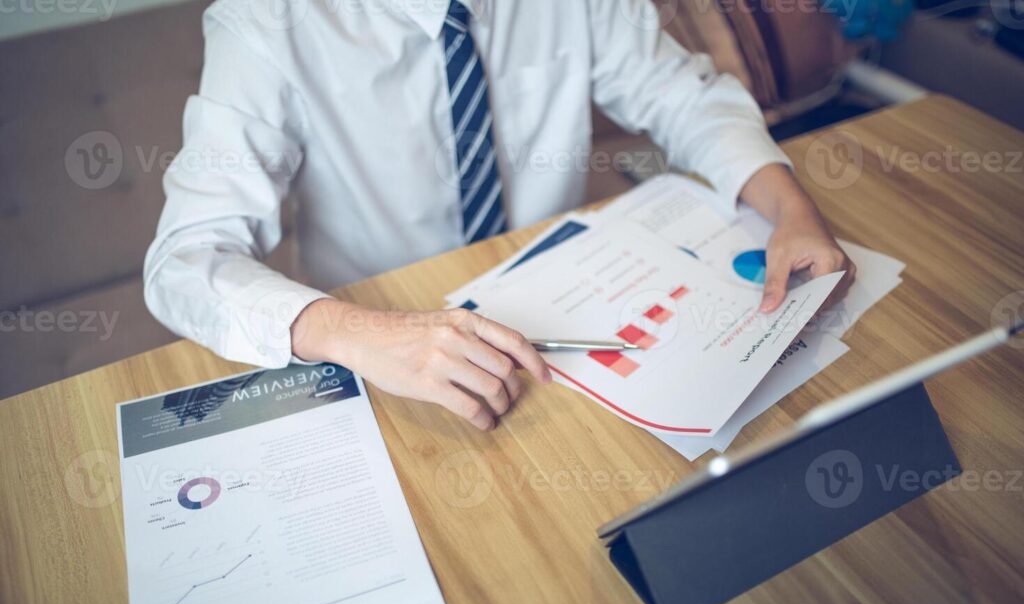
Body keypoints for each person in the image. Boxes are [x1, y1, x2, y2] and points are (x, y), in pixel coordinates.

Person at [144, 0, 856, 431]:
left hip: (571, 316)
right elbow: (186, 258)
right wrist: (359, 333)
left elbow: (679, 94)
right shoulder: (265, 22)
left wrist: (788, 206)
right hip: (385, 344)